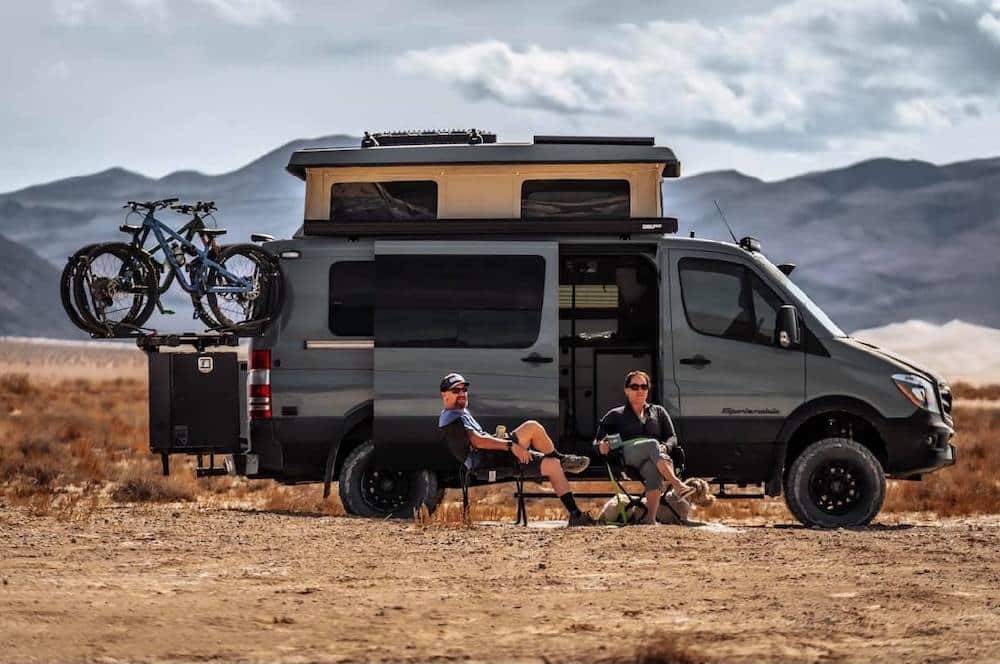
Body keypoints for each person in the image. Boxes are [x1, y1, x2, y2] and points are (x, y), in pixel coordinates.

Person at [437, 372, 598, 527]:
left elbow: (478, 440)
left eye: (464, 389)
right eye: (456, 390)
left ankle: (575, 514)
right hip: (490, 462)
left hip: (494, 456)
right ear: (445, 395)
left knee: (553, 464)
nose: (462, 393)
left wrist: (502, 439)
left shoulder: (458, 413)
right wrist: (510, 445)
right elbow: (478, 441)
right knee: (532, 427)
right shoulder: (452, 417)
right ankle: (563, 460)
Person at [594, 370, 690, 525]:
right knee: (652, 444)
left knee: (654, 468)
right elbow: (597, 441)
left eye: (644, 387)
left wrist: (665, 447)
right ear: (626, 390)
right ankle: (677, 484)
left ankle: (650, 519)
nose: (640, 390)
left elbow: (672, 437)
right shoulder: (615, 414)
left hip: (655, 456)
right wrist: (601, 446)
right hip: (627, 455)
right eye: (635, 386)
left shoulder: (659, 411)